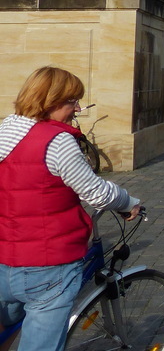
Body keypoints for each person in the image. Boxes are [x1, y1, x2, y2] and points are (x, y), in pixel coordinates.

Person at [0, 67, 142, 351]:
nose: (77, 108)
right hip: (48, 264)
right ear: (50, 101)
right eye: (72, 101)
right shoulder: (57, 141)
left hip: (5, 258)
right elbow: (96, 192)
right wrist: (129, 202)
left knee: (6, 327)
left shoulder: (6, 130)